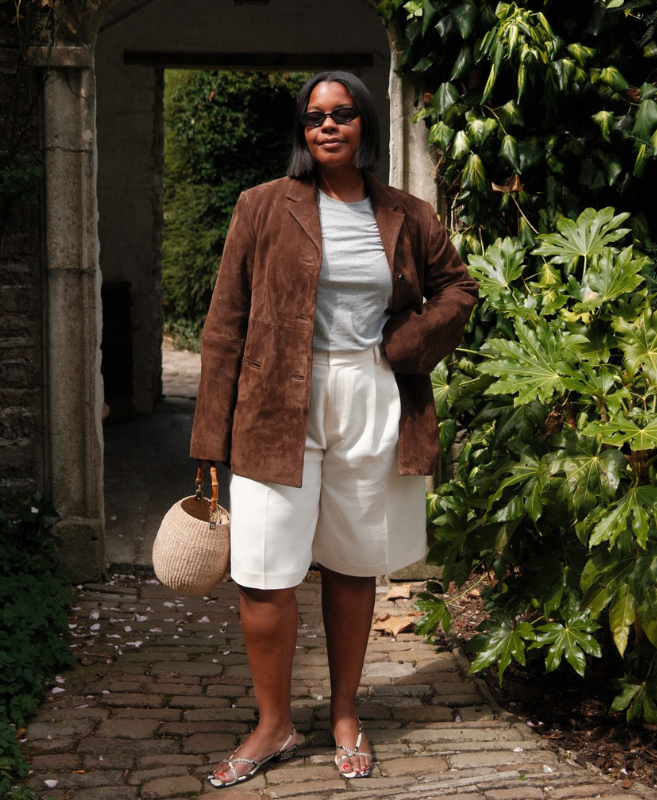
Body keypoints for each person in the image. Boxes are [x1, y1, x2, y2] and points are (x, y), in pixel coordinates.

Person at [189, 71, 478, 788]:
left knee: (352, 562)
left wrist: (406, 344)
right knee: (262, 570)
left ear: (364, 126)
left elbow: (458, 288)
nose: (327, 125)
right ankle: (273, 723)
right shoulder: (260, 208)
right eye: (315, 115)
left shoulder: (407, 214)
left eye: (342, 114)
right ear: (302, 128)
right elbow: (224, 324)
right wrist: (208, 440)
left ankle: (346, 714)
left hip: (371, 394)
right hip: (271, 401)